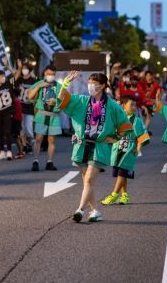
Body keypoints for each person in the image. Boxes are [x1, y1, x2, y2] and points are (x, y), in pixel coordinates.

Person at [57, 71, 133, 223]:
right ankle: (95, 210)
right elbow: (62, 100)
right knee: (87, 182)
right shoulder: (83, 101)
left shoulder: (112, 105)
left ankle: (80, 210)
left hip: (100, 147)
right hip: (82, 146)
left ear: (103, 86)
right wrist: (65, 84)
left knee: (89, 179)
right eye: (89, 82)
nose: (90, 85)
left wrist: (115, 138)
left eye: (94, 83)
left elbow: (126, 126)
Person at [101, 96, 150, 206]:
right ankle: (124, 195)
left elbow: (141, 135)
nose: (134, 107)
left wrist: (138, 148)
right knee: (121, 173)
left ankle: (114, 194)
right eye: (131, 105)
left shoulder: (136, 120)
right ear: (123, 106)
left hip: (129, 149)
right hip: (117, 148)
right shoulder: (118, 118)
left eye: (134, 105)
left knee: (122, 172)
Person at [27, 65, 62, 171]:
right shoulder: (39, 83)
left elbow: (64, 100)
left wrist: (55, 101)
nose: (50, 76)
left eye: (52, 74)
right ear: (44, 74)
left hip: (54, 116)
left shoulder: (59, 86)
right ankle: (35, 161)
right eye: (48, 74)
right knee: (38, 138)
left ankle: (49, 162)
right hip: (41, 114)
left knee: (52, 139)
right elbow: (29, 96)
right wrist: (38, 87)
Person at [14, 60, 37, 153]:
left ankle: (31, 141)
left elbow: (37, 92)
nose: (24, 70)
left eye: (26, 69)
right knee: (21, 128)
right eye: (23, 69)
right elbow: (14, 80)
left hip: (29, 106)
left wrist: (34, 100)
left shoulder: (33, 81)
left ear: (30, 70)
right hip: (20, 106)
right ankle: (25, 145)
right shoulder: (19, 79)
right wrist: (19, 68)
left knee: (28, 127)